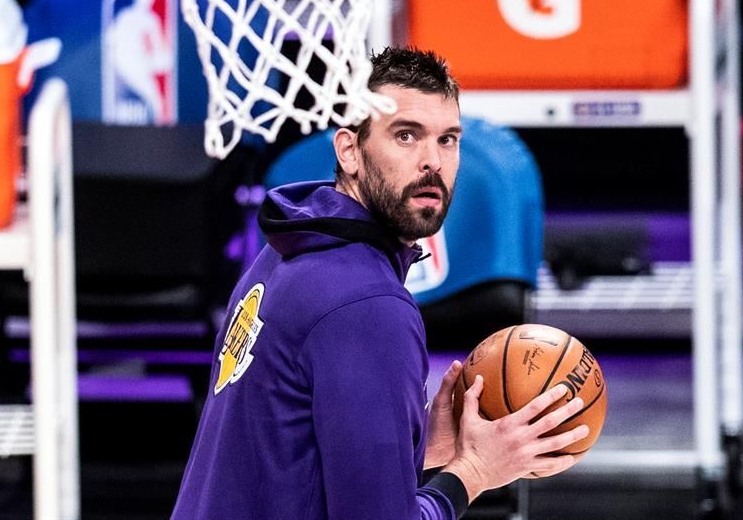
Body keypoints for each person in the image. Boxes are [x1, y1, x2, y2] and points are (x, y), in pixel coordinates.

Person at [172, 46, 588, 519]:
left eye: (448, 139)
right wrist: (473, 472)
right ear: (349, 150)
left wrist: (415, 448)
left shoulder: (282, 254)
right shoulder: (366, 305)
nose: (432, 161)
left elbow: (286, 460)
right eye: (406, 136)